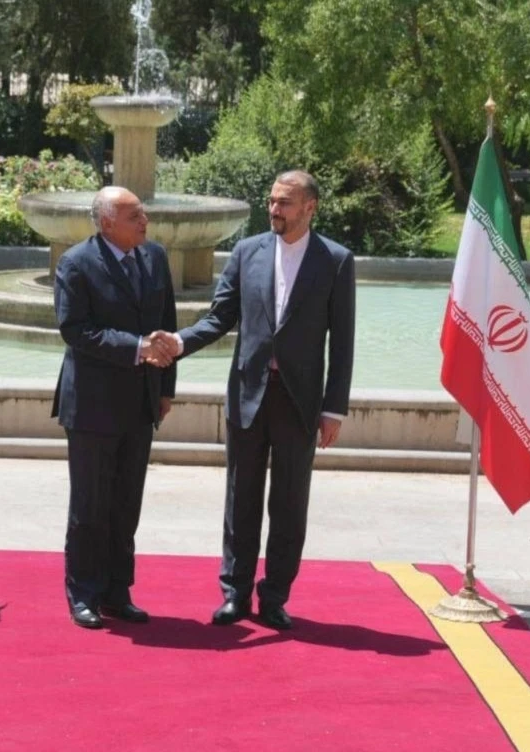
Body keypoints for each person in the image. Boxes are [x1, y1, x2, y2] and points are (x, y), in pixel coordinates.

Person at [160, 170, 355, 630]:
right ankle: (235, 593)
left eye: (284, 202)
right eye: (271, 201)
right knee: (240, 498)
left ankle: (275, 597)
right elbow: (220, 317)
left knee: (289, 503)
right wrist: (180, 342)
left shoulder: (337, 261)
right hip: (248, 395)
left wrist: (333, 408)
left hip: (300, 402)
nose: (274, 209)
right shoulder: (247, 252)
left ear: (310, 207)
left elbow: (342, 342)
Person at [52, 186, 179, 630]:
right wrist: (136, 348)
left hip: (141, 403)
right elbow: (76, 330)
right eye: (134, 216)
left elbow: (168, 327)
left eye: (143, 214)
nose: (145, 222)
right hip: (91, 405)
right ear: (107, 223)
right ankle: (83, 593)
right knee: (90, 504)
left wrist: (165, 388)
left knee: (126, 503)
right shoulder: (76, 263)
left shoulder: (155, 257)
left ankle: (116, 591)